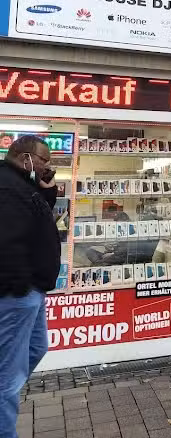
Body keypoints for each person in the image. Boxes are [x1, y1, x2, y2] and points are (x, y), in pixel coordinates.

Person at [0, 136, 59, 438]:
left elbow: (37, 220)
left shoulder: (23, 183)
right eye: (44, 160)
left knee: (36, 348)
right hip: (17, 294)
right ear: (25, 157)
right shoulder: (7, 187)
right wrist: (20, 288)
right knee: (6, 377)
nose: (48, 165)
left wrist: (47, 189)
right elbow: (6, 242)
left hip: (31, 292)